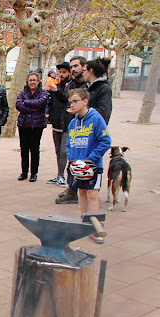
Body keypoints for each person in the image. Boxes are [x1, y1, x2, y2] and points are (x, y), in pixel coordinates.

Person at [65, 88, 111, 244]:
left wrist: (90, 159)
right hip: (77, 166)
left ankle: (95, 226)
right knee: (82, 193)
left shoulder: (96, 119)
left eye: (75, 101)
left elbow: (106, 141)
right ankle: (84, 222)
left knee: (92, 194)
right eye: (71, 101)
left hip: (93, 166)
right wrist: (73, 160)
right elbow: (69, 143)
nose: (72, 104)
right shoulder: (73, 123)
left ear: (85, 101)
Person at [16, 72, 49, 182]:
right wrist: (31, 108)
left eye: (34, 80)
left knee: (34, 149)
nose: (32, 82)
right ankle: (24, 172)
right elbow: (18, 105)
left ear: (38, 81)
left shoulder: (43, 92)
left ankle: (34, 173)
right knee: (24, 149)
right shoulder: (22, 92)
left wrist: (27, 103)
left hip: (37, 125)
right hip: (23, 124)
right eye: (30, 80)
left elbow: (41, 103)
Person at [47, 62, 72, 187]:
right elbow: (51, 103)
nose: (61, 75)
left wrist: (57, 92)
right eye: (60, 72)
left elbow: (67, 101)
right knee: (58, 151)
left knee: (63, 151)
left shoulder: (70, 87)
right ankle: (59, 174)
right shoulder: (57, 86)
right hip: (56, 122)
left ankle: (62, 175)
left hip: (67, 124)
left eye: (64, 72)